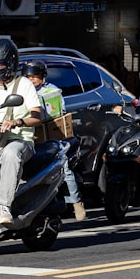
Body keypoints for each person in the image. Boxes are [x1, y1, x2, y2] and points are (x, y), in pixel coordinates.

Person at [0, 39, 43, 225]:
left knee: (11, 154)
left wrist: (17, 122)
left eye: (0, 64)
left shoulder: (24, 85)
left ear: (11, 63)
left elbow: (37, 116)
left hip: (20, 140)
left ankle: (4, 207)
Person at [23, 60, 85, 221]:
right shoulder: (22, 93)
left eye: (35, 77)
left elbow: (60, 112)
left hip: (53, 139)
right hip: (30, 138)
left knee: (64, 169)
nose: (32, 80)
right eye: (28, 77)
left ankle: (76, 202)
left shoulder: (52, 91)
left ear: (42, 77)